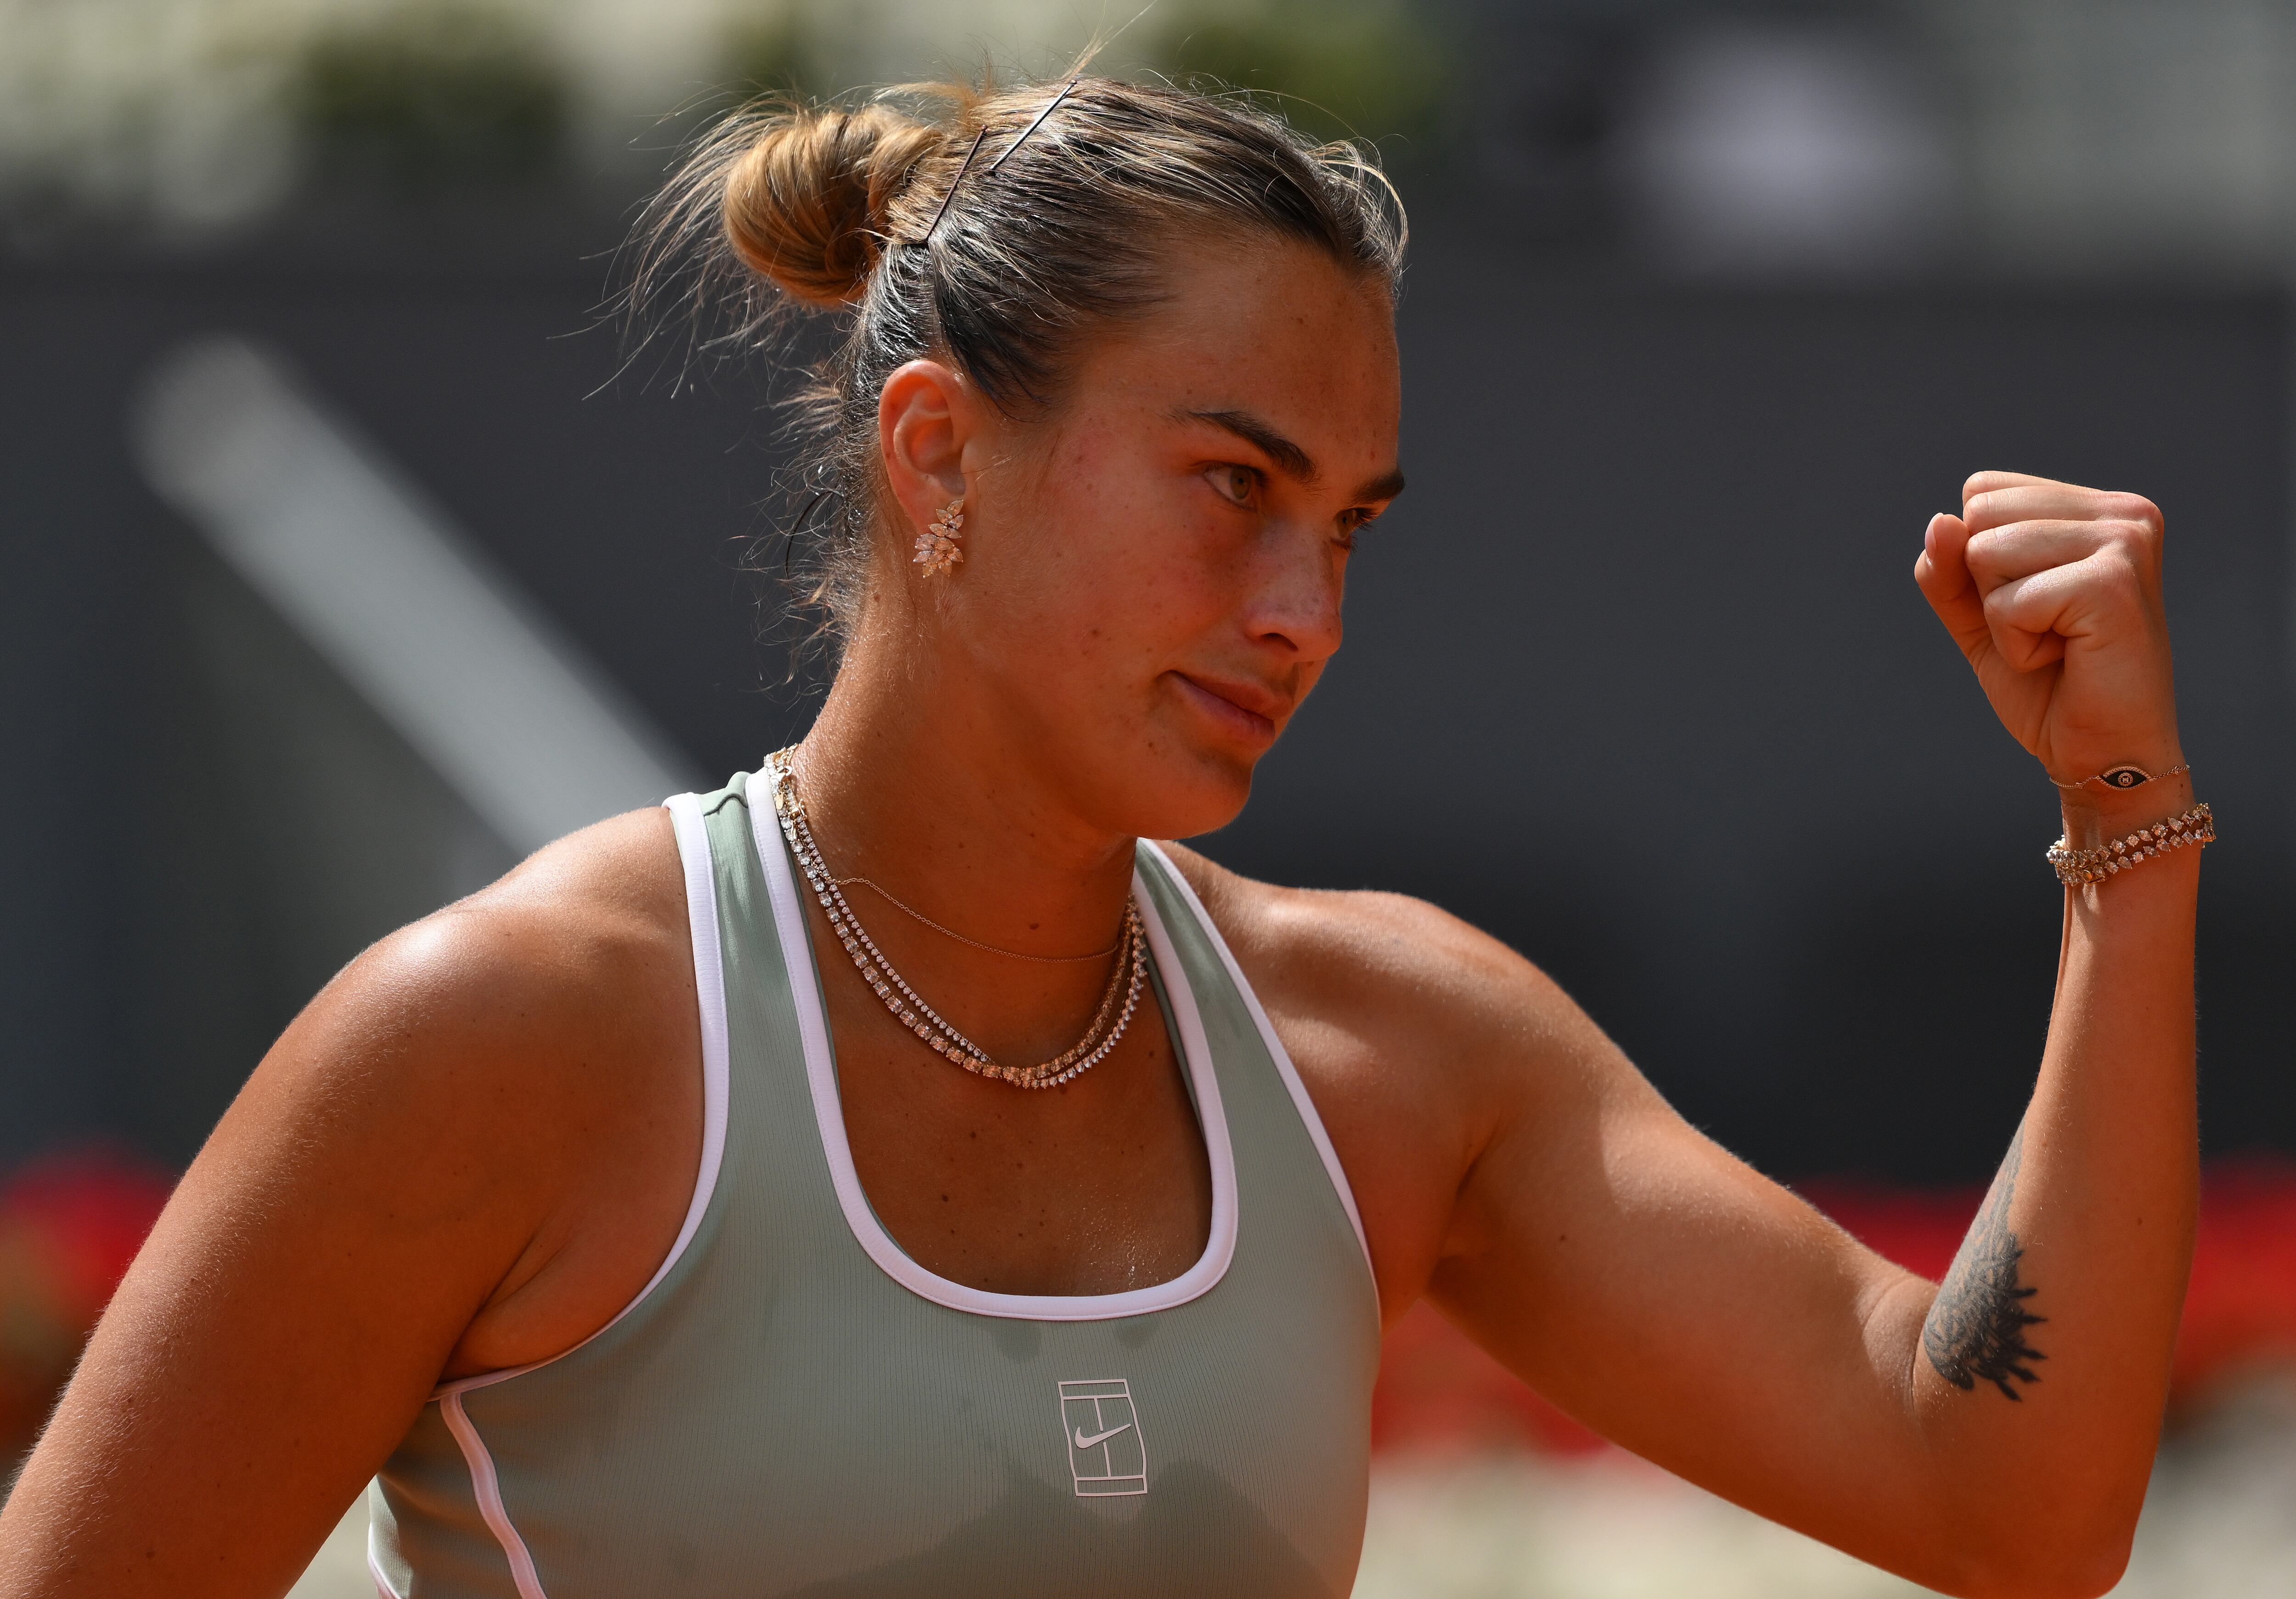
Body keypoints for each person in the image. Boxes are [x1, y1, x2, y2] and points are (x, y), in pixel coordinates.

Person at [0, 73, 2205, 1599]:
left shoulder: (1390, 1050)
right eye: (1232, 485)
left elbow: (1999, 1491)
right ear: (940, 457)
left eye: (1347, 525)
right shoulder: (497, 1037)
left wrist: (2125, 827)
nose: (1305, 611)